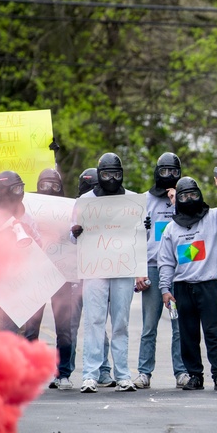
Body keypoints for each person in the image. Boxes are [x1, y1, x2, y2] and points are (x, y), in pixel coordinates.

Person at [158, 175, 217, 391]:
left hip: (208, 286)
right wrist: (165, 289)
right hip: (182, 287)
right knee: (188, 336)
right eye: (184, 196)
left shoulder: (214, 217)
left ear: (200, 195)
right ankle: (195, 376)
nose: (189, 199)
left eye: (193, 194)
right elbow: (166, 262)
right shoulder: (171, 229)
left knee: (214, 334)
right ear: (177, 200)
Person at [70, 153, 137, 394]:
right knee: (94, 321)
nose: (111, 179)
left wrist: (144, 227)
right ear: (99, 175)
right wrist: (75, 232)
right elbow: (72, 234)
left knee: (121, 322)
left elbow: (139, 238)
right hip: (95, 268)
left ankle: (123, 375)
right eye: (107, 174)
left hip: (122, 267)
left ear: (122, 174)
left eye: (116, 174)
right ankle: (90, 374)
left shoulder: (131, 200)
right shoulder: (85, 201)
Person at [21, 168, 77, 391]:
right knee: (31, 328)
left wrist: (76, 232)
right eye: (44, 184)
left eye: (54, 184)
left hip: (62, 274)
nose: (49, 189)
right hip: (37, 274)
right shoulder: (28, 209)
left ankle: (63, 373)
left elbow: (75, 240)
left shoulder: (69, 210)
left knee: (63, 328)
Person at [136, 153, 188, 389]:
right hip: (153, 267)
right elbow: (136, 237)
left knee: (180, 325)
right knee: (150, 324)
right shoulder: (145, 200)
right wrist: (139, 270)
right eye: (164, 171)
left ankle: (182, 372)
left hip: (180, 268)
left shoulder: (185, 197)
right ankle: (144, 372)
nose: (169, 176)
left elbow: (193, 223)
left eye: (174, 172)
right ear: (157, 172)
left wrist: (179, 201)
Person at [0, 171, 43, 336]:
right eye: (16, 189)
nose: (20, 193)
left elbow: (39, 247)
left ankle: (5, 361)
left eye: (21, 188)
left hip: (15, 282)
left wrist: (30, 235)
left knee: (11, 331)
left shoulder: (26, 217)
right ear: (4, 191)